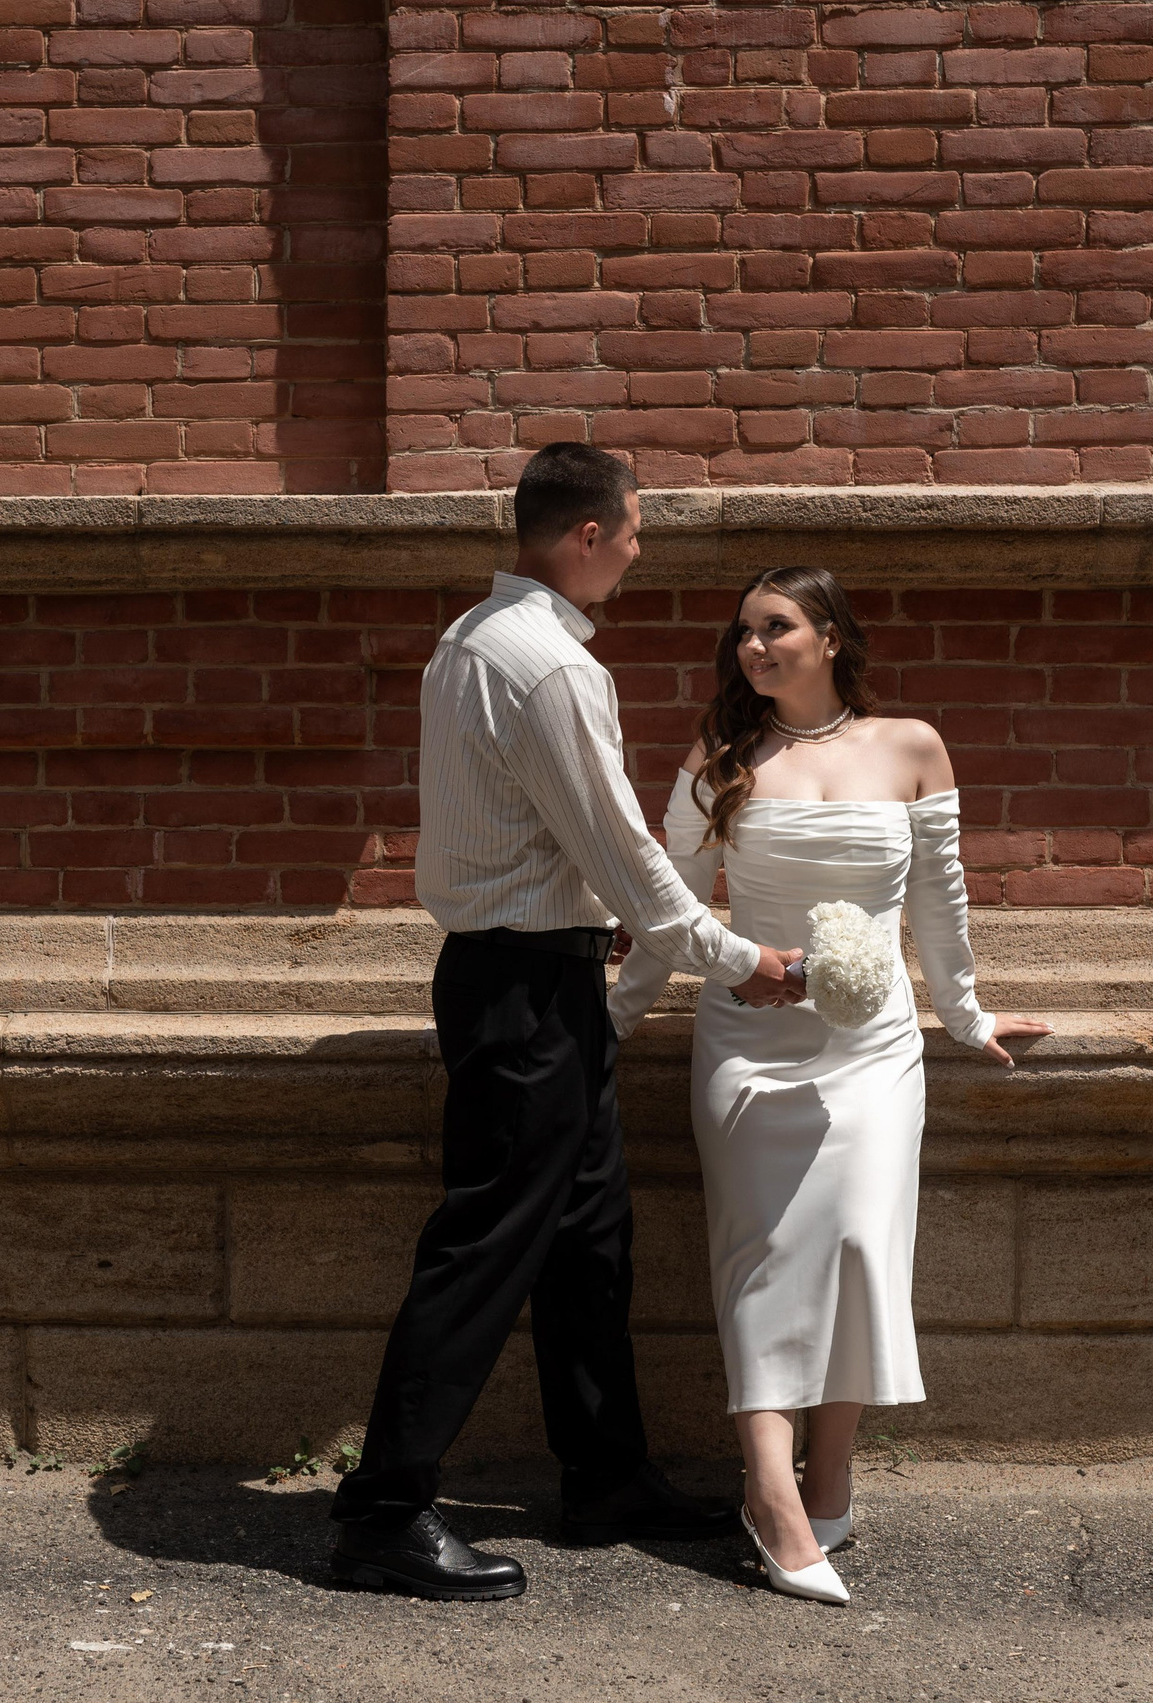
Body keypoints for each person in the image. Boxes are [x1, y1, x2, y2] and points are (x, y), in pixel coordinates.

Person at [328, 444, 806, 1602]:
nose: (640, 549)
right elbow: (623, 852)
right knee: (487, 1242)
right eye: (634, 530)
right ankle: (383, 1509)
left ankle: (603, 1475)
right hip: (525, 989)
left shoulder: (470, 641)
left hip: (535, 984)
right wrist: (736, 958)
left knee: (589, 1239)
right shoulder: (544, 666)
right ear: (585, 534)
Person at [609, 565, 1052, 1605]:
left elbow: (939, 898)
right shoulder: (720, 759)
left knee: (859, 1242)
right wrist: (616, 1014)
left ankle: (830, 1471)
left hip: (873, 1046)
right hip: (748, 1039)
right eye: (743, 634)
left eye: (776, 628)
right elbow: (665, 904)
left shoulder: (910, 745)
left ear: (832, 637)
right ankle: (768, 1492)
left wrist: (968, 1012)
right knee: (758, 1254)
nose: (754, 648)